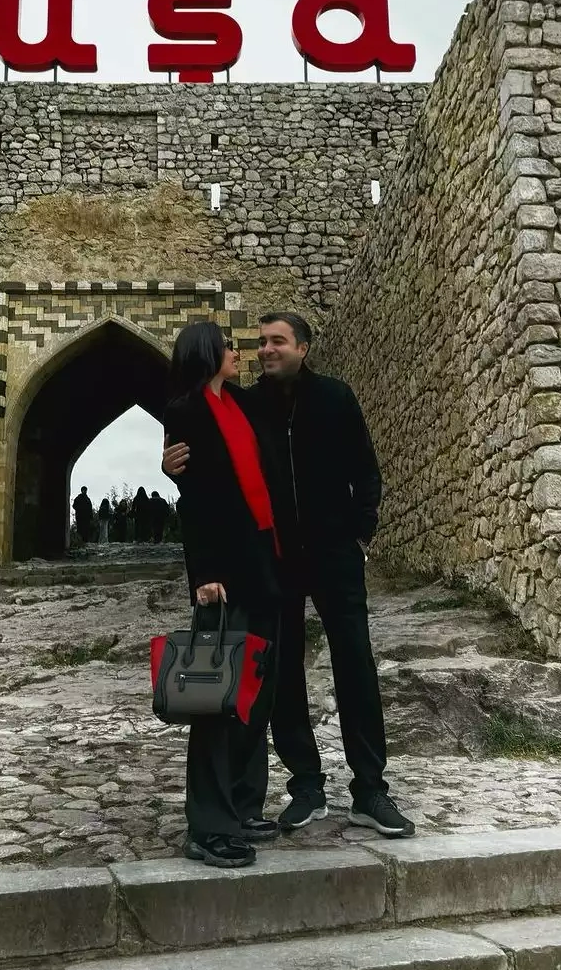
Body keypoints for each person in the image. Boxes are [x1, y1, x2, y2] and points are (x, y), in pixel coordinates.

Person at [163, 311, 414, 839]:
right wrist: (171, 468)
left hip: (336, 556)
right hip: (277, 562)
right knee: (282, 677)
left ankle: (371, 789)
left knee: (355, 664)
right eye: (260, 342)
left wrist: (361, 533)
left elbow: (366, 470)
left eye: (277, 341)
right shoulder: (248, 403)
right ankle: (306, 786)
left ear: (303, 347)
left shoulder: (336, 397)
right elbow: (208, 454)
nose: (265, 350)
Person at [164, 320, 284, 869]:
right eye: (229, 345)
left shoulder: (244, 404)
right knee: (217, 696)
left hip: (265, 563)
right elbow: (196, 498)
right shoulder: (187, 411)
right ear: (207, 353)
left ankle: (243, 804)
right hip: (225, 571)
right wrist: (204, 572)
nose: (239, 352)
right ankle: (209, 825)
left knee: (256, 691)